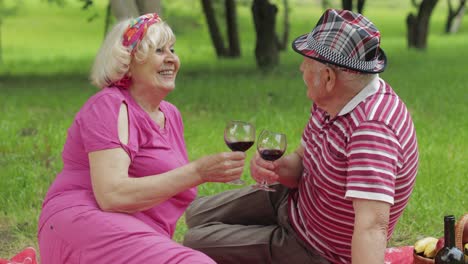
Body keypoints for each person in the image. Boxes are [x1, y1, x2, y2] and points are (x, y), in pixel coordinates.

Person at [183, 9, 419, 264]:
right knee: (196, 213)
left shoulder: (371, 132)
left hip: (315, 248)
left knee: (194, 242)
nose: (300, 68)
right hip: (297, 202)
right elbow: (302, 160)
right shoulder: (334, 99)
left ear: (328, 77)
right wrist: (279, 168)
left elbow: (372, 227)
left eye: (306, 62)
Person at [37, 13, 246, 264]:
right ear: (128, 61)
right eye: (159, 50)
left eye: (172, 49)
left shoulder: (170, 114)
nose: (171, 58)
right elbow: (112, 196)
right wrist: (198, 172)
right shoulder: (109, 105)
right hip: (80, 221)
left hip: (135, 231)